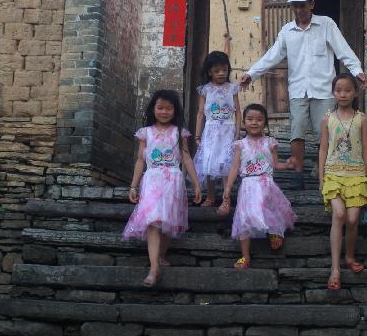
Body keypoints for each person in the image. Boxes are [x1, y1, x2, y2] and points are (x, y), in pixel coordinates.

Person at [239, 0, 366, 182]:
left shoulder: (326, 24)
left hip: (323, 89)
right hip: (298, 89)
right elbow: (272, 56)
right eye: (295, 7)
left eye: (302, 6)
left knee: (325, 131)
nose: (299, 10)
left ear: (311, 5)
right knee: (297, 130)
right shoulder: (287, 31)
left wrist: (357, 71)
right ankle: (298, 173)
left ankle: (325, 171)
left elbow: (343, 50)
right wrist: (251, 73)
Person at [123, 89, 202, 287]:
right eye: (160, 108)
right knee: (153, 220)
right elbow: (141, 160)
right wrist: (133, 186)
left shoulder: (178, 132)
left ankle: (161, 255)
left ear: (175, 111)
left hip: (173, 181)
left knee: (168, 220)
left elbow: (186, 158)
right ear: (153, 109)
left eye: (169, 108)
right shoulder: (146, 133)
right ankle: (153, 268)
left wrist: (197, 184)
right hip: (151, 180)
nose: (164, 112)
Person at [221, 103, 297, 269]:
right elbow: (234, 167)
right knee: (244, 219)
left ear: (265, 122)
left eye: (259, 119)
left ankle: (275, 233)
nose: (254, 123)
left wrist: (288, 165)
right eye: (249, 119)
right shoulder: (240, 145)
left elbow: (276, 164)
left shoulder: (270, 142)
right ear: (243, 122)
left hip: (266, 183)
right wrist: (228, 187)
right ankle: (245, 256)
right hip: (248, 185)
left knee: (271, 210)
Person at [318, 72, 367, 291]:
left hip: (356, 175)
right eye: (338, 90)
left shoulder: (362, 119)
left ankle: (349, 257)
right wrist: (321, 178)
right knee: (339, 215)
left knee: (352, 218)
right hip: (333, 174)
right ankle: (335, 269)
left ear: (355, 92)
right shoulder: (327, 119)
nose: (343, 94)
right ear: (333, 92)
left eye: (348, 90)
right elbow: (323, 148)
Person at [194, 50, 241, 210]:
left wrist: (237, 132)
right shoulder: (205, 90)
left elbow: (238, 112)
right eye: (217, 71)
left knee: (225, 163)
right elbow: (201, 114)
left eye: (224, 70)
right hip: (210, 132)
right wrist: (197, 135)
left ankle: (226, 198)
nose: (221, 73)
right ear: (209, 72)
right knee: (208, 163)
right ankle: (211, 196)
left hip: (228, 131)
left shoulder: (232, 89)